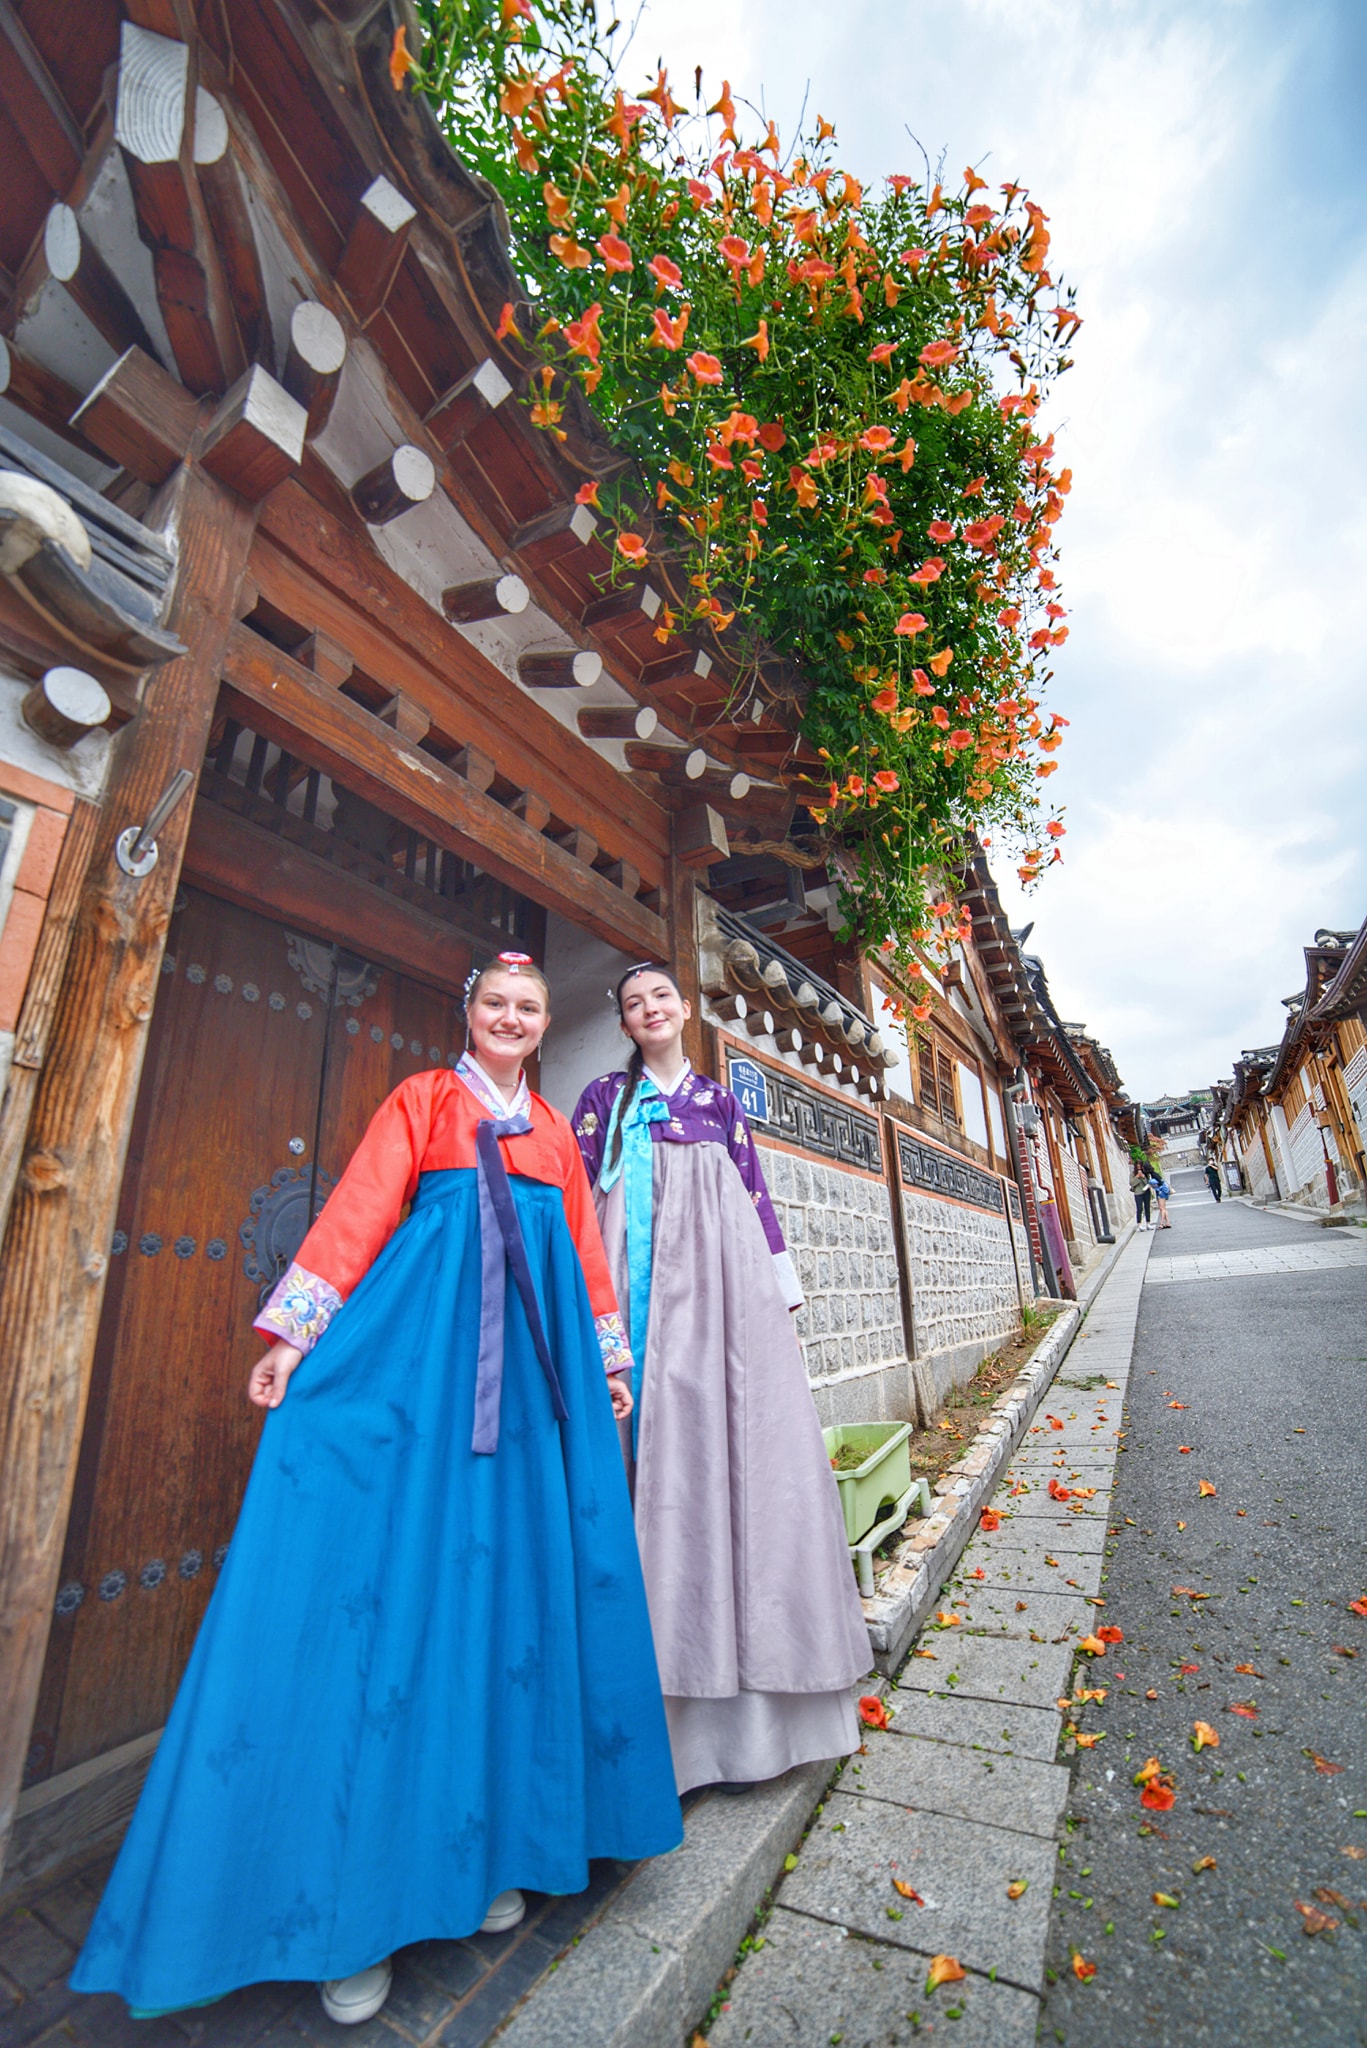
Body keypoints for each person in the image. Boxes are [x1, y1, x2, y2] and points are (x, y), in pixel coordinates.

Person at [72, 953, 681, 2024]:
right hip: (426, 1393)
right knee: (397, 1611)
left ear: (543, 1027)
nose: (508, 1017)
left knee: (514, 1615)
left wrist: (611, 1359)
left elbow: (586, 1257)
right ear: (470, 1015)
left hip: (535, 1406)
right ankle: (348, 1911)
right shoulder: (422, 1099)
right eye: (493, 1003)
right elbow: (356, 1215)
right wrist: (292, 1341)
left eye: (527, 1007)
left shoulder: (551, 1134)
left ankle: (497, 1844)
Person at [572, 963, 870, 1796]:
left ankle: (757, 1704)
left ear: (683, 1007)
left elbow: (754, 1188)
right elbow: (573, 1193)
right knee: (649, 1463)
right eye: (633, 1003)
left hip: (725, 1296)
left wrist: (778, 1288)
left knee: (741, 1453)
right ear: (624, 1023)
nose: (650, 1010)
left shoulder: (718, 1101)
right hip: (637, 1298)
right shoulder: (602, 1101)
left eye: (660, 996)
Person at [1129, 1159, 1153, 1229]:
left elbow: (1148, 1183)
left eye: (1140, 1166)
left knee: (1147, 1207)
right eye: (1137, 1166)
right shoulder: (1133, 1174)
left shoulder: (1146, 1173)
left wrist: (1143, 1177)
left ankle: (1148, 1223)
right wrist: (1137, 1177)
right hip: (1138, 1193)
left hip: (1146, 1192)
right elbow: (1131, 1183)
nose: (1139, 1168)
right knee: (1139, 1208)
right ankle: (1139, 1224)